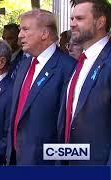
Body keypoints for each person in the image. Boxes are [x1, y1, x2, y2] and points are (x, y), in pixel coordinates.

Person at [6, 9, 76, 165]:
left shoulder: (67, 68)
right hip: (17, 160)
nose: (20, 35)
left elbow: (67, 127)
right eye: (20, 30)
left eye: (25, 29)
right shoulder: (23, 65)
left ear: (44, 33)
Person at [57, 0, 111, 165]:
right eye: (72, 18)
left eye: (79, 19)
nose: (72, 24)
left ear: (100, 22)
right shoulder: (82, 62)